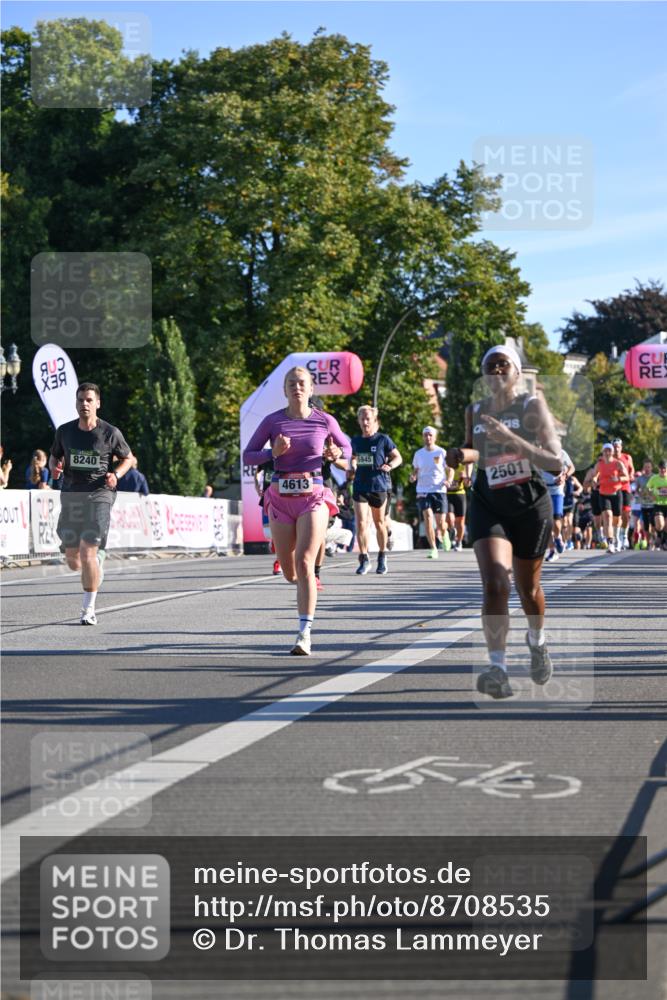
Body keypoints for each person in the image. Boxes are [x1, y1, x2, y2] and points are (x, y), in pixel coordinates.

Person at [446, 343, 562, 700]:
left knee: (528, 590)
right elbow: (476, 449)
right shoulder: (475, 410)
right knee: (496, 583)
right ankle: (497, 667)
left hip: (529, 504)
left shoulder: (532, 406)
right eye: (490, 366)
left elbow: (554, 462)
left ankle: (537, 641)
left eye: (503, 365)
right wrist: (459, 455)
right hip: (488, 502)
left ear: (516, 371)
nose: (496, 371)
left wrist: (512, 439)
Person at [243, 366, 350, 655]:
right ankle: (323, 539)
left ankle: (304, 634)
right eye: (291, 383)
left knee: (305, 565)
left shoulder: (324, 421)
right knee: (290, 573)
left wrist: (337, 454)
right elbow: (248, 454)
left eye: (302, 383)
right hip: (280, 497)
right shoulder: (273, 421)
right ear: (285, 390)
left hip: (313, 494)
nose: (297, 387)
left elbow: (348, 449)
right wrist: (272, 453)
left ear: (311, 389)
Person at [49, 382, 133, 625]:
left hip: (100, 495)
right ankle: (95, 563)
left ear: (98, 403)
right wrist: (54, 467)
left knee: (87, 553)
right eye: (80, 400)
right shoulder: (64, 431)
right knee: (74, 561)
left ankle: (88, 610)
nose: (84, 404)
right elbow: (55, 454)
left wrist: (115, 475)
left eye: (88, 400)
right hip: (72, 495)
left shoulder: (110, 433)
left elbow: (128, 458)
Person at [349, 405, 402, 576]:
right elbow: (353, 458)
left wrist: (390, 465)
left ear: (374, 421)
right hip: (360, 485)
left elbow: (398, 457)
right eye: (362, 419)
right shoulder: (355, 441)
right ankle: (364, 558)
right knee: (361, 523)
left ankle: (381, 555)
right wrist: (352, 465)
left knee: (379, 523)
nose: (365, 422)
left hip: (378, 485)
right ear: (358, 421)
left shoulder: (383, 440)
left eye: (368, 419)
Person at [410, 426, 449, 559]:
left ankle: (444, 533)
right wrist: (413, 476)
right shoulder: (418, 454)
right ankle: (433, 548)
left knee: (440, 523)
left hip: (439, 490)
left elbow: (450, 470)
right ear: (423, 437)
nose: (428, 437)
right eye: (425, 435)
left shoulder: (441, 452)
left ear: (435, 437)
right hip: (423, 490)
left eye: (430, 435)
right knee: (427, 518)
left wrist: (448, 480)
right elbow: (415, 470)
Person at [590, 444, 629, 553]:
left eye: (609, 451)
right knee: (607, 517)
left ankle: (617, 539)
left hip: (616, 493)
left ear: (612, 452)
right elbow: (594, 475)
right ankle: (610, 543)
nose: (607, 453)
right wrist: (594, 480)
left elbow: (626, 477)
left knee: (616, 520)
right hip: (603, 494)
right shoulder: (599, 464)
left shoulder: (618, 463)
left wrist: (618, 478)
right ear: (602, 452)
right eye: (605, 451)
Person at [542, 447, 575, 562]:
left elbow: (572, 468)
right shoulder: (535, 452)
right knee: (546, 523)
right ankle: (552, 551)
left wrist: (564, 476)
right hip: (542, 490)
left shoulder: (560, 452)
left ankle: (558, 537)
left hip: (557, 491)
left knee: (556, 521)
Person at [612, 438, 635, 549]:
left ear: (621, 447)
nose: (616, 448)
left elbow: (632, 470)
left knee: (626, 514)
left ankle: (624, 535)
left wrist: (630, 475)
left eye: (618, 446)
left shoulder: (627, 457)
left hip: (625, 488)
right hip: (614, 489)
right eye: (615, 446)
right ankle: (617, 537)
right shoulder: (609, 459)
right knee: (617, 514)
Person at [645, 459, 667, 550]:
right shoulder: (654, 478)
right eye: (661, 468)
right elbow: (647, 489)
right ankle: (659, 536)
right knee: (659, 524)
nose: (663, 470)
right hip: (658, 504)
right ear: (658, 469)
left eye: (664, 468)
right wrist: (651, 496)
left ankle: (664, 541)